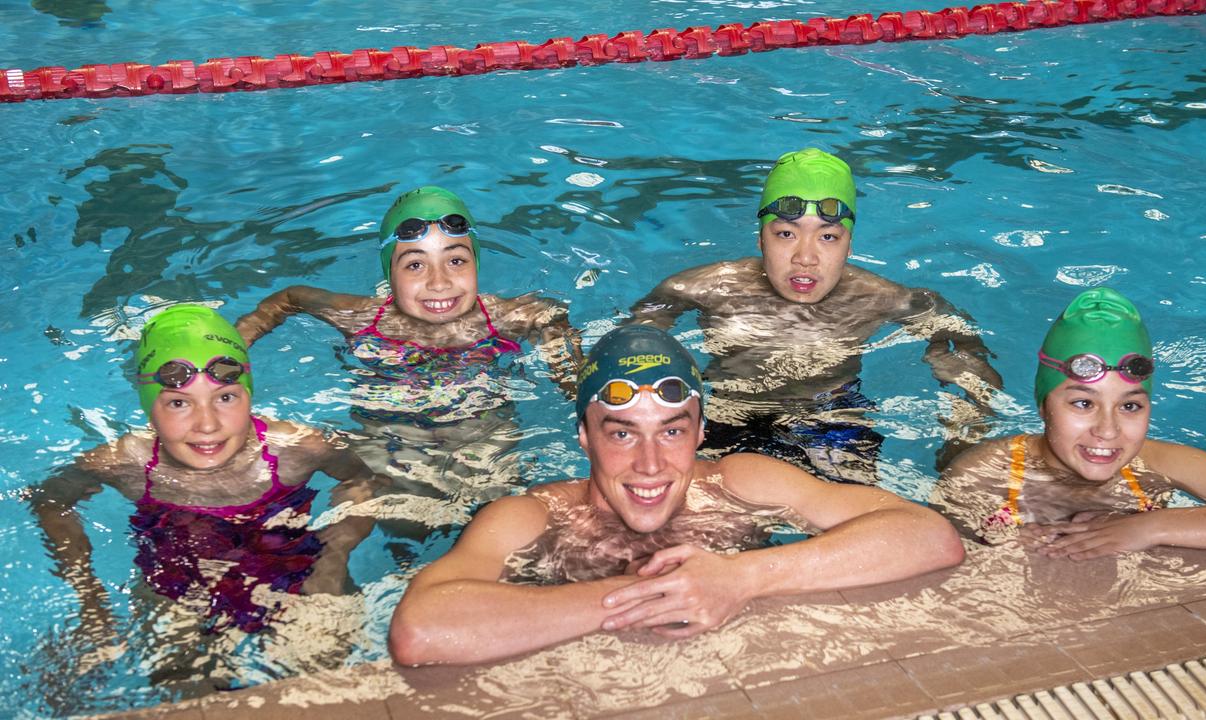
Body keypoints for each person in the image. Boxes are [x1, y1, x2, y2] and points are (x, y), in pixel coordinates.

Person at [387, 325, 964, 666]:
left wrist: (742, 579)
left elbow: (929, 536)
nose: (650, 465)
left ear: (702, 433)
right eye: (621, 432)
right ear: (584, 437)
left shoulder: (742, 483)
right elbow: (421, 630)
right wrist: (657, 596)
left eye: (671, 429)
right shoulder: (533, 517)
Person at [628, 148, 1003, 484]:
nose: (805, 257)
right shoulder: (703, 288)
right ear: (761, 240)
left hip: (833, 419)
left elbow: (963, 344)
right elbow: (630, 348)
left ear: (849, 246)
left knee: (853, 534)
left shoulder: (881, 297)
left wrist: (960, 400)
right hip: (730, 416)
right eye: (786, 234)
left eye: (827, 237)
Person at [29, 305, 384, 641]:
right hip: (176, 584)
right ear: (149, 410)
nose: (207, 424)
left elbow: (364, 481)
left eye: (226, 397)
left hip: (293, 567)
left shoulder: (296, 448)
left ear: (248, 395)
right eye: (179, 403)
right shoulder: (125, 463)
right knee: (178, 674)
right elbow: (49, 501)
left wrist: (333, 557)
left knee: (321, 656)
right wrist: (90, 597)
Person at [235, 185, 582, 493]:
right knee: (396, 513)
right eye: (415, 265)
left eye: (456, 260)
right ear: (390, 273)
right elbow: (291, 297)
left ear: (477, 263)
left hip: (483, 435)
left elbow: (550, 316)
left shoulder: (507, 317)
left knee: (494, 503)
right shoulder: (363, 318)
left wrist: (568, 374)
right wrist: (236, 345)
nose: (439, 282)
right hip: (390, 439)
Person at [933, 287, 1206, 557]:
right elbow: (938, 559)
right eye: (1083, 403)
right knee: (964, 431)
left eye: (1130, 406)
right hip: (992, 461)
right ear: (1042, 405)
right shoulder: (979, 477)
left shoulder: (1158, 462)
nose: (1108, 431)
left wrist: (1152, 527)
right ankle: (964, 365)